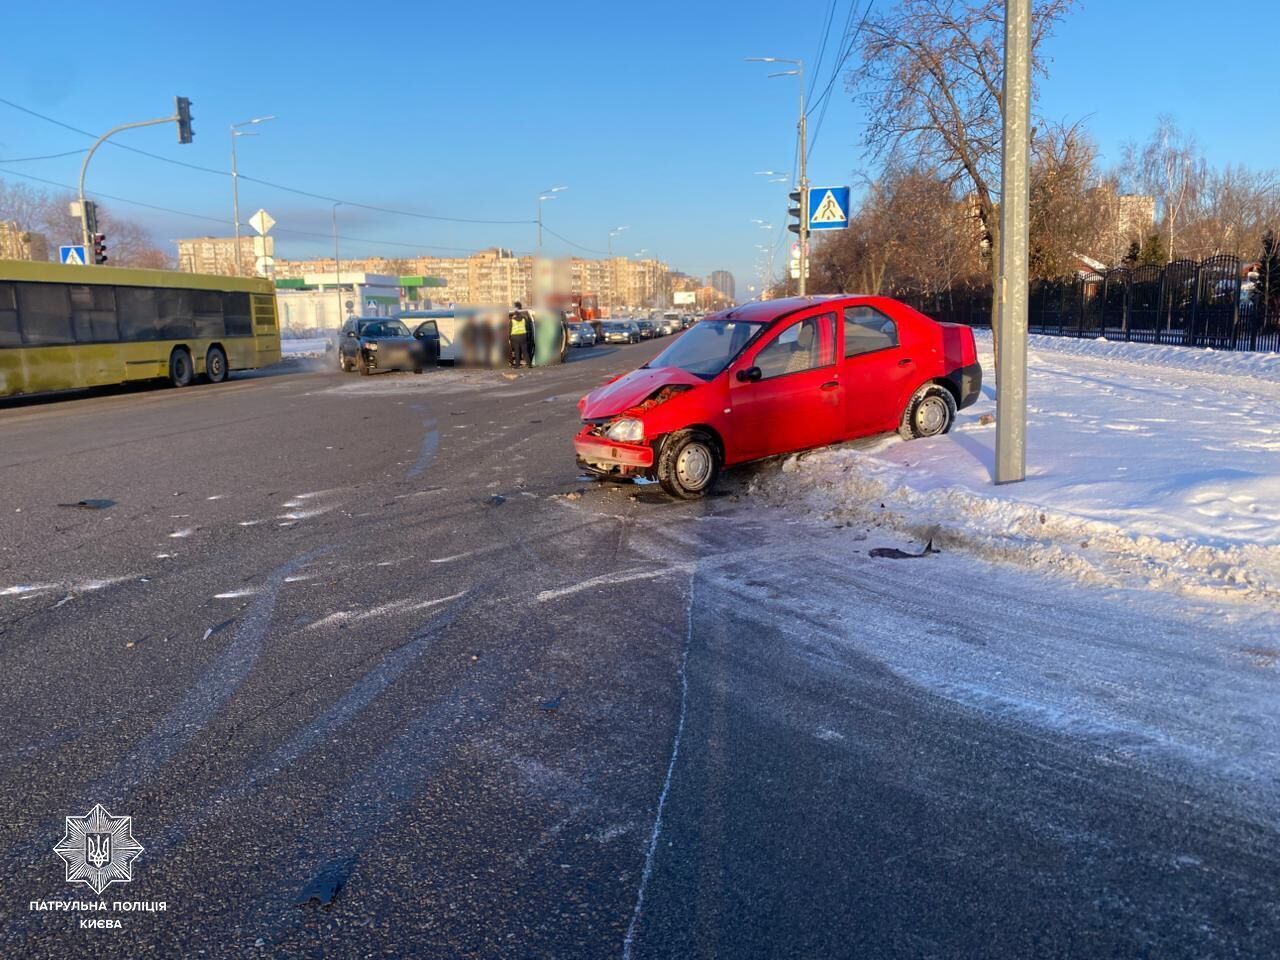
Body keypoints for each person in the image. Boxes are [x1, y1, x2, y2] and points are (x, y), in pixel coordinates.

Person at [508, 301, 534, 367]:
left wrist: (509, 337)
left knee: (517, 351)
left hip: (515, 337)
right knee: (525, 351)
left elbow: (510, 329)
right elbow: (526, 327)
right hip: (523, 336)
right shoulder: (523, 319)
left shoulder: (512, 320)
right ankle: (529, 364)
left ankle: (517, 365)